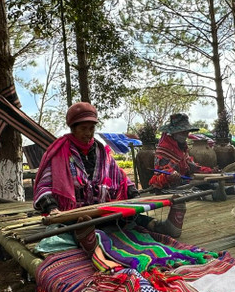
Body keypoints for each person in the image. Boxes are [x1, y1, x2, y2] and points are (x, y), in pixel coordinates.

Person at [33, 102, 186, 242]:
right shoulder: (60, 152)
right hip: (72, 213)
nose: (88, 133)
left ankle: (159, 226)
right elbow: (45, 185)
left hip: (102, 209)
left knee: (125, 215)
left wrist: (133, 194)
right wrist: (52, 208)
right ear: (73, 129)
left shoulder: (101, 151)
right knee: (66, 226)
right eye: (83, 129)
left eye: (91, 128)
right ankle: (85, 235)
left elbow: (120, 177)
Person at [148, 113, 235, 196]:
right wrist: (170, 176)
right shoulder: (163, 150)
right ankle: (213, 196)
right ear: (173, 133)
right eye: (182, 132)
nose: (186, 135)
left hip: (185, 182)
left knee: (208, 184)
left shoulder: (181, 148)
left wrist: (210, 171)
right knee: (193, 190)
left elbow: (192, 166)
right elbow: (159, 177)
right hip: (168, 188)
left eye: (186, 132)